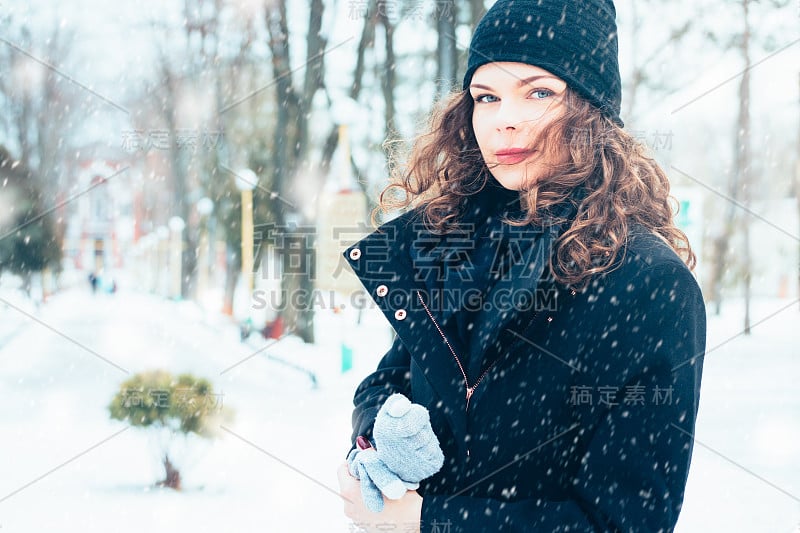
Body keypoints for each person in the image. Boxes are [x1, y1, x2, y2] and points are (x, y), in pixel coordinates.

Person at [336, 0, 706, 531]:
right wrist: (378, 427)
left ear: (590, 109)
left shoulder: (647, 283)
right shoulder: (451, 243)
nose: (504, 120)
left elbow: (626, 522)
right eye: (486, 97)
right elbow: (391, 377)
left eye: (538, 92)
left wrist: (431, 522)